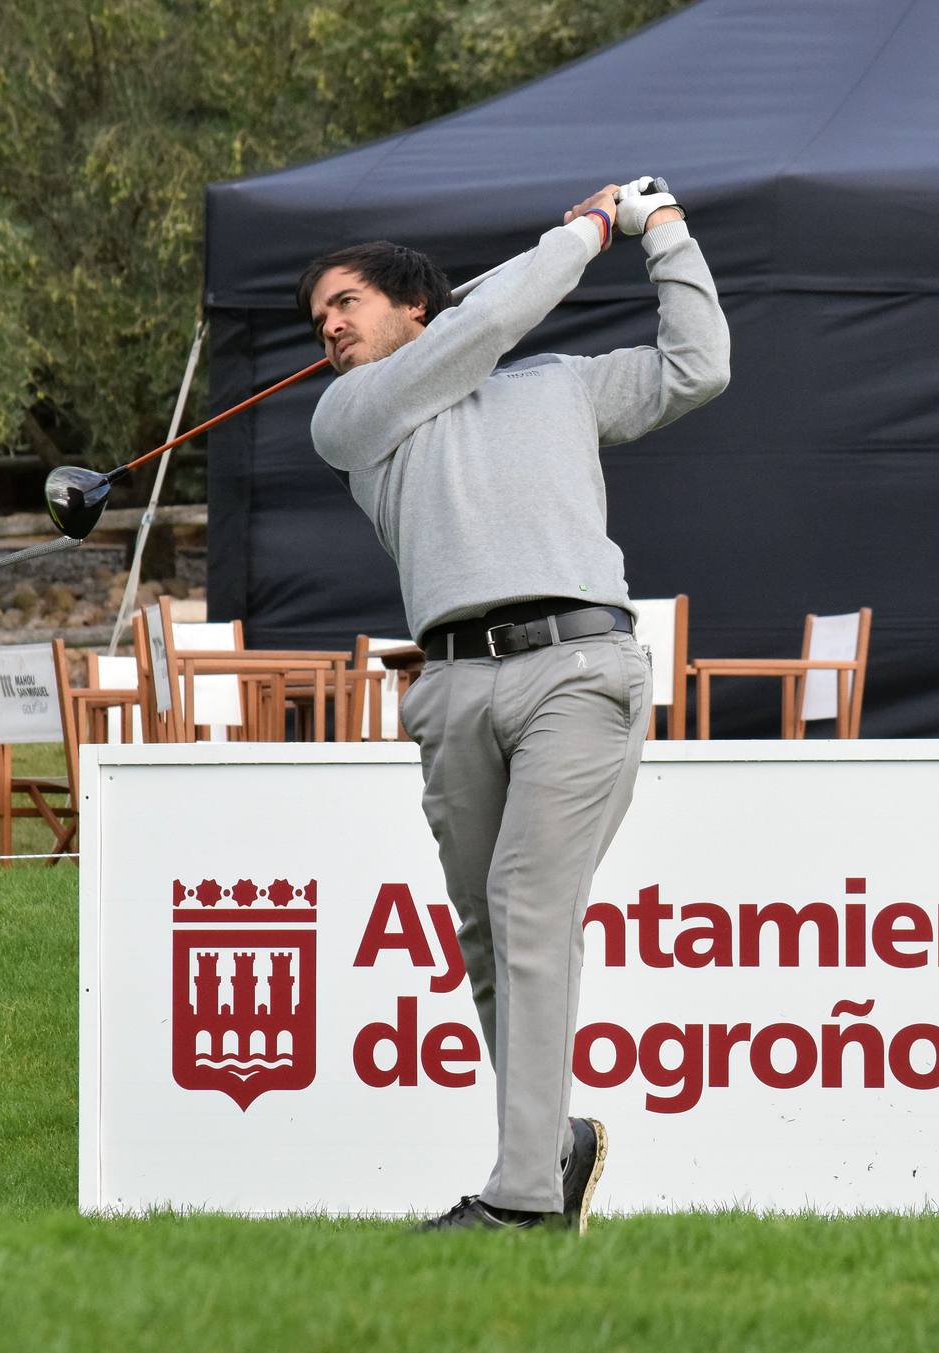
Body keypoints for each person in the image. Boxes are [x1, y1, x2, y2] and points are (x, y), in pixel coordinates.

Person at [301, 180, 728, 1232]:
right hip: (450, 686)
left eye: (344, 304)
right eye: (318, 318)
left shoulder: (562, 385)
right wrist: (587, 229)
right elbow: (488, 321)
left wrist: (663, 234)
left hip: (577, 670)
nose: (329, 328)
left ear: (412, 307)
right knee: (488, 937)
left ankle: (523, 1199)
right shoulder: (351, 418)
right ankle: (552, 1148)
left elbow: (698, 365)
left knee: (531, 912)